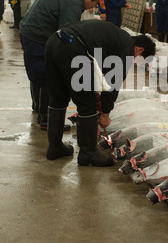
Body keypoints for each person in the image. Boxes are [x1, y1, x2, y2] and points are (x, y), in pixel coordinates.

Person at [44, 19, 156, 166]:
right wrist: (105, 113)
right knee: (87, 105)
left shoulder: (115, 37)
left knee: (58, 99)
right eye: (138, 60)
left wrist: (96, 90)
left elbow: (99, 71)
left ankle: (54, 147)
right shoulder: (126, 47)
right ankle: (88, 153)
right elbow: (113, 82)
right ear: (139, 50)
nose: (134, 61)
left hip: (54, 42)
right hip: (73, 48)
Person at [19, 0, 106, 130]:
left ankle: (39, 109)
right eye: (96, 3)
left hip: (33, 31)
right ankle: (47, 119)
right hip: (36, 35)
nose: (94, 8)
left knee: (39, 73)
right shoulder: (73, 3)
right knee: (48, 76)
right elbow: (67, 34)